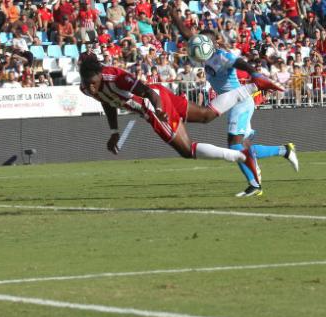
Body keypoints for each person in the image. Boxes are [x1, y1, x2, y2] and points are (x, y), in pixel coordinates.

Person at [78, 54, 274, 183]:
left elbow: (148, 92)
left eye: (94, 82)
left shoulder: (116, 76)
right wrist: (114, 132)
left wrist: (160, 110)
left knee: (187, 150)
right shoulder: (87, 88)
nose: (92, 88)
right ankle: (255, 86)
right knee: (206, 115)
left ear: (100, 74)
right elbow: (106, 100)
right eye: (88, 84)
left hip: (154, 106)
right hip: (159, 99)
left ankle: (241, 156)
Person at [170, 6, 299, 197]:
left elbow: (239, 62)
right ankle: (285, 150)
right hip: (232, 102)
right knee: (243, 147)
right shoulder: (204, 52)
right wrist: (174, 15)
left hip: (240, 102)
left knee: (234, 145)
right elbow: (188, 34)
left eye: (204, 41)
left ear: (212, 43)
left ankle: (255, 185)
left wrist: (254, 73)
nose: (198, 43)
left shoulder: (220, 55)